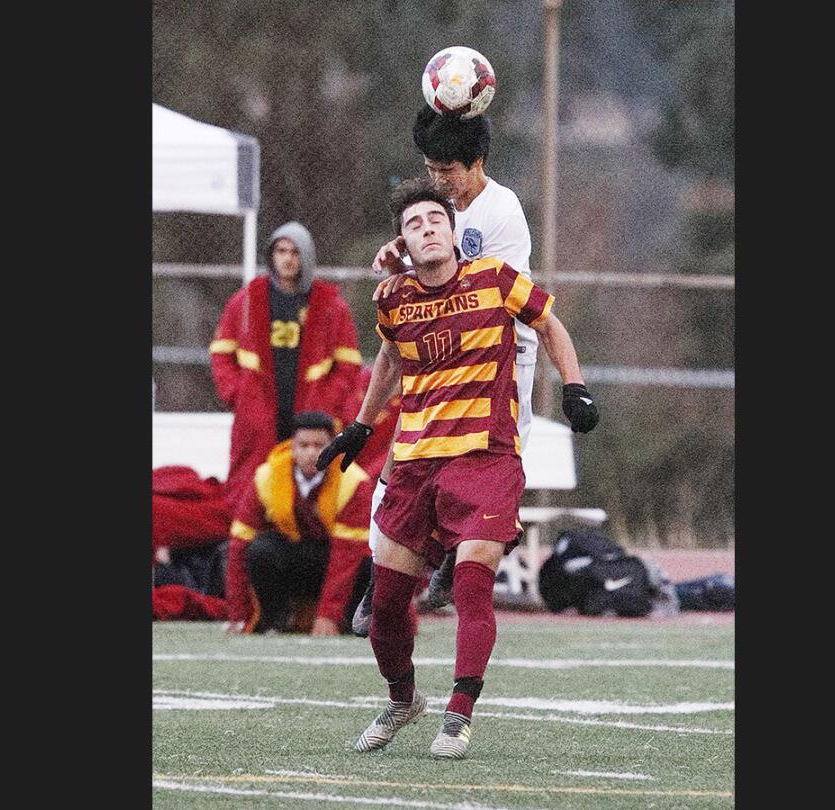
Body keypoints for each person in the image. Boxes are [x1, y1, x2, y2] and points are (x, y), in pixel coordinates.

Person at [318, 179, 599, 759]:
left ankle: (459, 711)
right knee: (385, 609)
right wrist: (363, 426)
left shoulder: (495, 279)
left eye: (435, 219)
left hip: (486, 459)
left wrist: (575, 388)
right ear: (404, 239)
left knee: (473, 584)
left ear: (452, 230)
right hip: (416, 463)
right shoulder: (393, 298)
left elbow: (549, 323)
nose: (426, 229)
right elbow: (391, 359)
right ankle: (403, 698)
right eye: (414, 223)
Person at [353, 106, 539, 635]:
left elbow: (478, 284)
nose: (438, 180)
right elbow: (431, 270)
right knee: (399, 465)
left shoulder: (502, 212)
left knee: (494, 476)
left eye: (447, 171)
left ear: (475, 162)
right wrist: (400, 259)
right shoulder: (438, 209)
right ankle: (383, 578)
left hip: (500, 364)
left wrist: (411, 262)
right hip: (440, 359)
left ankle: (457, 564)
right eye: (431, 169)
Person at [210, 222, 363, 509]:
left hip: (309, 414)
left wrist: (327, 404)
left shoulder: (330, 305)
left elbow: (348, 365)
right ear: (271, 255)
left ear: (306, 256)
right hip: (257, 412)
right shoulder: (245, 300)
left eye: (295, 251)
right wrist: (237, 393)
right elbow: (221, 354)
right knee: (249, 487)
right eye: (281, 250)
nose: (288, 258)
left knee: (311, 489)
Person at [222, 411, 375, 636]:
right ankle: (274, 620)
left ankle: (349, 620)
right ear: (291, 447)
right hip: (294, 558)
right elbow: (238, 544)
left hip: (336, 560)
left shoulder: (354, 481)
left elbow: (347, 556)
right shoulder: (267, 476)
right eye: (303, 445)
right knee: (261, 549)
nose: (311, 452)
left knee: (368, 565)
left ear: (334, 446)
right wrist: (237, 614)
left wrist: (328, 615)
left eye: (319, 445)